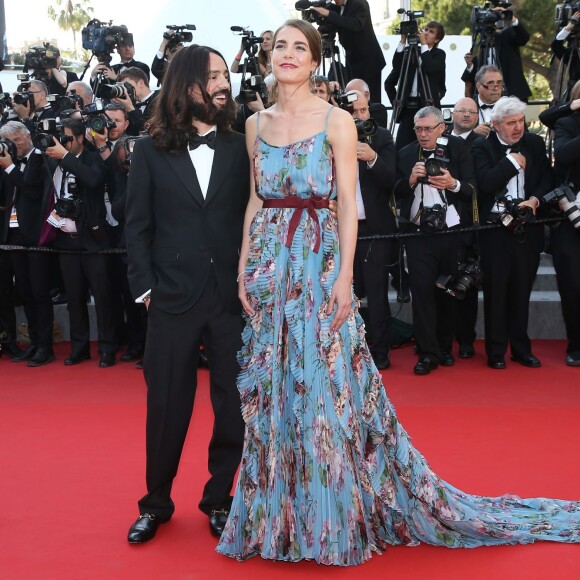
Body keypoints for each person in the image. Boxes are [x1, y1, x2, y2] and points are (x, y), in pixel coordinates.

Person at [216, 19, 580, 566]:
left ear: (315, 61)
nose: (287, 54)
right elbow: (254, 199)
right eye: (280, 46)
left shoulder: (338, 121)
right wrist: (245, 261)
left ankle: (331, 514)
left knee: (323, 388)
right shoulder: (253, 124)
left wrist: (343, 279)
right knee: (275, 389)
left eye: (300, 47)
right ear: (269, 56)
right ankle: (280, 515)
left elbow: (345, 203)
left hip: (317, 262)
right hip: (270, 264)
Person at [124, 44, 249, 543]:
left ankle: (219, 498)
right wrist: (146, 290)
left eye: (225, 75)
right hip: (171, 299)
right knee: (167, 407)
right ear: (185, 85)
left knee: (234, 407)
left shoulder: (243, 147)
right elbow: (136, 228)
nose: (223, 84)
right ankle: (155, 503)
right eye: (212, 77)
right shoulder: (150, 152)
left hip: (230, 300)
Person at [471, 97, 554, 370]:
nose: (518, 128)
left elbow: (545, 179)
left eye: (521, 121)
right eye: (511, 123)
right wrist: (513, 163)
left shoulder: (534, 144)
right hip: (495, 231)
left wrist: (535, 201)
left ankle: (521, 349)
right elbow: (485, 183)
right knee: (496, 292)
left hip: (527, 228)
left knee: (521, 290)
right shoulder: (482, 147)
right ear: (495, 125)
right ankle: (496, 351)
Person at [394, 107, 477, 375]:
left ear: (443, 127)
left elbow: (473, 189)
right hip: (419, 233)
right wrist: (409, 180)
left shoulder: (458, 149)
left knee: (447, 291)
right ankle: (427, 353)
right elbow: (393, 193)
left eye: (428, 128)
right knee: (422, 293)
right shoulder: (406, 152)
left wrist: (452, 183)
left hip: (451, 232)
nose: (423, 134)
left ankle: (443, 347)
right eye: (418, 129)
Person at [348, 89, 396, 370]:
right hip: (340, 229)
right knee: (345, 292)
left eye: (363, 111)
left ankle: (380, 351)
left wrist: (373, 158)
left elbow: (392, 180)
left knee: (377, 293)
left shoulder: (380, 137)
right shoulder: (329, 136)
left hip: (374, 229)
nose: (359, 116)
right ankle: (348, 349)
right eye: (353, 111)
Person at [552, 81, 580, 366]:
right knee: (572, 284)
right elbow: (564, 154)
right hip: (571, 217)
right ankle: (576, 344)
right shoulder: (567, 124)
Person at [384, 21, 446, 149]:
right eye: (426, 29)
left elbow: (430, 68)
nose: (426, 33)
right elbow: (396, 65)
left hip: (427, 106)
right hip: (408, 108)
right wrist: (402, 41)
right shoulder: (411, 52)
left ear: (437, 39)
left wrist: (423, 45)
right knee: (401, 147)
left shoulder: (438, 54)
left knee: (428, 145)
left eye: (431, 32)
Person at [311, 0, 386, 99]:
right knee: (353, 95)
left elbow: (356, 24)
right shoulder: (336, 7)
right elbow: (336, 23)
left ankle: (371, 114)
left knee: (369, 96)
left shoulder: (359, 3)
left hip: (368, 61)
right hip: (352, 59)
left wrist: (329, 14)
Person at [462, 6, 531, 102]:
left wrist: (511, 18)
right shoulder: (482, 44)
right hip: (488, 97)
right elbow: (470, 77)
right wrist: (470, 66)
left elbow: (524, 38)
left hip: (512, 94)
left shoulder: (507, 35)